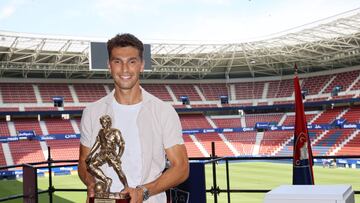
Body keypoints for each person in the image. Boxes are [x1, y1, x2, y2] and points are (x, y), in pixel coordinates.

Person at [78, 33, 189, 203]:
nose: (124, 69)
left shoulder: (163, 111)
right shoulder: (92, 112)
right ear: (109, 65)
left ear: (141, 65)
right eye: (117, 61)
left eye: (132, 61)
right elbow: (84, 164)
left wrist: (143, 191)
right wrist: (91, 183)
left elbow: (181, 168)